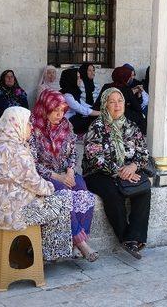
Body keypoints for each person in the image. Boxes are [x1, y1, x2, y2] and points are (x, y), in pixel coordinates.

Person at [0, 106, 73, 262]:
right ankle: (45, 256)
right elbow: (36, 184)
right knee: (62, 201)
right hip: (10, 215)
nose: (31, 127)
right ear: (17, 124)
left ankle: (36, 252)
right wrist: (51, 187)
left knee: (51, 201)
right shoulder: (16, 150)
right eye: (28, 123)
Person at [82, 88, 152, 259]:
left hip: (128, 170)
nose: (117, 105)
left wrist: (134, 167)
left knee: (143, 190)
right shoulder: (97, 127)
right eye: (112, 101)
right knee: (112, 193)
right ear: (105, 104)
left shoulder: (131, 126)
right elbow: (94, 158)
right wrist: (119, 171)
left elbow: (143, 153)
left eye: (120, 101)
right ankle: (126, 238)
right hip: (98, 172)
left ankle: (135, 237)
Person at [30, 90, 98, 261]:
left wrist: (69, 171)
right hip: (45, 176)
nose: (59, 115)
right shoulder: (33, 128)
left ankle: (75, 244)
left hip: (65, 172)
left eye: (62, 110)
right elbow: (32, 162)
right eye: (55, 111)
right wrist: (57, 177)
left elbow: (73, 153)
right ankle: (81, 243)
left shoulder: (66, 125)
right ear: (45, 108)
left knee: (83, 193)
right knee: (64, 195)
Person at [95, 66, 147, 134]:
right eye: (129, 76)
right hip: (119, 116)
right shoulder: (126, 89)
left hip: (105, 114)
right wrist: (139, 96)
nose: (130, 78)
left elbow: (98, 103)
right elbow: (137, 107)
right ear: (125, 77)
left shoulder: (106, 86)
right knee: (140, 115)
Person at [59, 68, 101, 134]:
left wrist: (97, 109)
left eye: (80, 77)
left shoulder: (73, 92)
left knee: (95, 112)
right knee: (93, 117)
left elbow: (84, 104)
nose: (80, 80)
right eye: (78, 77)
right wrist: (100, 113)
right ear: (71, 79)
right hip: (67, 122)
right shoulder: (67, 95)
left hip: (74, 117)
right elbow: (80, 109)